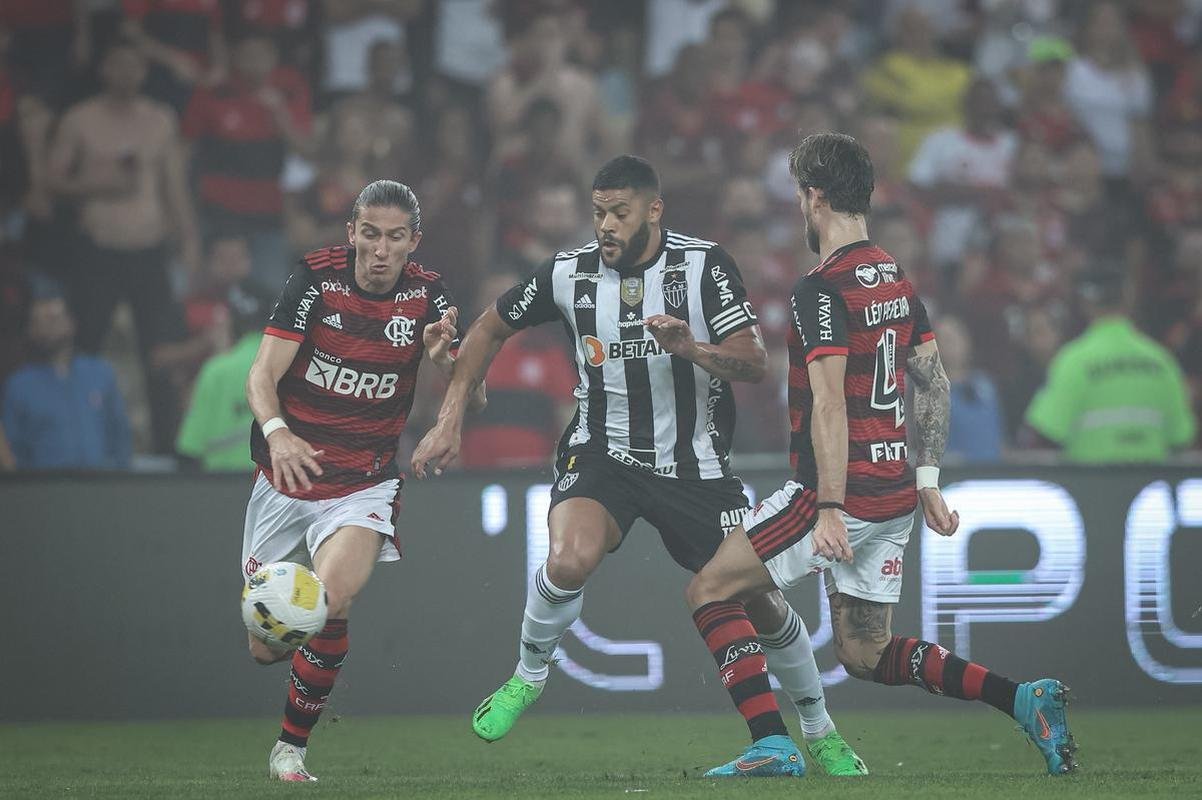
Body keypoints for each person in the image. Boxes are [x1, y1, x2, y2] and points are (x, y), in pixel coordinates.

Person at [412, 155, 867, 777]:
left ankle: (819, 730)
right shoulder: (567, 272)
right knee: (568, 558)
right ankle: (528, 674)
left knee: (759, 602)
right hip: (602, 453)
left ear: (653, 210)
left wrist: (690, 348)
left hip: (696, 465)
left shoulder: (703, 265)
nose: (605, 225)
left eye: (619, 213)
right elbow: (489, 328)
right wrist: (450, 417)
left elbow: (752, 360)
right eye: (598, 212)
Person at [682, 133, 1078, 777]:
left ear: (814, 198)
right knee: (865, 652)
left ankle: (772, 743)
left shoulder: (821, 288)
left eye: (799, 197)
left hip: (835, 495)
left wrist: (830, 508)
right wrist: (926, 481)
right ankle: (1023, 698)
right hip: (894, 494)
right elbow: (935, 380)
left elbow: (831, 404)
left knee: (709, 590)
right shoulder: (892, 275)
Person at [240, 179, 485, 782]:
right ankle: (309, 675)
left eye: (394, 238)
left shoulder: (430, 298)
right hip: (284, 476)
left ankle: (290, 750)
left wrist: (442, 359)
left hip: (363, 482)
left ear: (412, 242)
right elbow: (260, 376)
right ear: (351, 233)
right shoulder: (314, 280)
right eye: (369, 234)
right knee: (266, 645)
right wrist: (278, 433)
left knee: (332, 598)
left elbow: (474, 392)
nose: (379, 250)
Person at [1024, 266, 1195, 463]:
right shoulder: (1161, 361)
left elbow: (1046, 432)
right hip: (1150, 486)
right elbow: (1182, 437)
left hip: (1089, 487)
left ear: (1085, 302)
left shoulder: (1073, 361)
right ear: (1128, 297)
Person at [2, 289, 130, 470]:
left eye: (54, 319)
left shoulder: (100, 373)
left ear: (71, 323)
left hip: (102, 486)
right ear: (30, 330)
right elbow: (13, 449)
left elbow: (120, 436)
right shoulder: (19, 385)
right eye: (39, 321)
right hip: (45, 490)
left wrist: (121, 478)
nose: (48, 328)